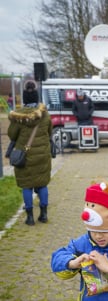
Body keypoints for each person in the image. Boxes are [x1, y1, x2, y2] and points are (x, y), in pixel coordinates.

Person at [7, 81, 52, 226]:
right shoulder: (45, 114)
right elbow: (49, 132)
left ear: (25, 98)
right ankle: (44, 214)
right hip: (42, 154)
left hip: (24, 156)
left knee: (27, 186)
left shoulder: (18, 116)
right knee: (42, 183)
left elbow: (12, 135)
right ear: (37, 97)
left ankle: (30, 217)